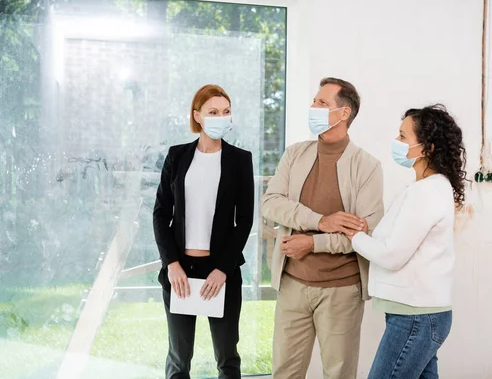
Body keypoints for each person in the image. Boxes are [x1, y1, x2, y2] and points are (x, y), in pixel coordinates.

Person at [261, 77, 384, 379]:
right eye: (314, 101)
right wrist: (320, 221)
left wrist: (313, 243)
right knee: (284, 373)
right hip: (292, 284)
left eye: (322, 103)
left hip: (341, 291)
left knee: (338, 374)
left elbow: (365, 233)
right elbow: (270, 203)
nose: (313, 107)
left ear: (343, 114)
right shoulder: (294, 154)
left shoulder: (367, 166)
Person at [345, 104, 467, 379]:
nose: (396, 142)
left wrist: (354, 236)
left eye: (403, 137)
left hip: (415, 317)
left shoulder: (425, 192)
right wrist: (367, 233)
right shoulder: (428, 188)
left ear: (426, 148)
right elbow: (400, 242)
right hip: (420, 314)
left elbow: (391, 255)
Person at [153, 84, 254, 379]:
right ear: (197, 116)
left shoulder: (240, 160)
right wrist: (171, 264)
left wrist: (223, 269)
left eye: (226, 111)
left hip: (220, 271)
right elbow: (161, 213)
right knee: (178, 359)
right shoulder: (177, 156)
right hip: (181, 270)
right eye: (213, 112)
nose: (221, 117)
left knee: (227, 358)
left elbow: (244, 220)